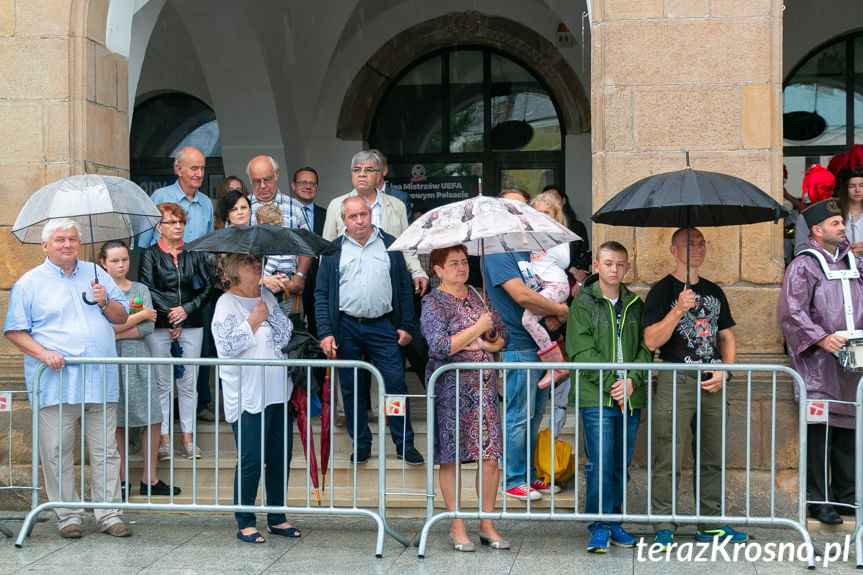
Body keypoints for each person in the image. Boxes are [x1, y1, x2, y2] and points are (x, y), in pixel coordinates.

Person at [4, 219, 132, 538]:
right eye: (60, 239)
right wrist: (43, 353)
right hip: (55, 382)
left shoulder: (97, 273)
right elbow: (15, 330)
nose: (67, 245)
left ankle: (109, 514)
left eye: (73, 239)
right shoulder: (29, 283)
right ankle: (68, 515)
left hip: (100, 379)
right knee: (57, 450)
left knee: (105, 451)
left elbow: (123, 316)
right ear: (45, 246)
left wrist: (106, 301)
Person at [642, 227, 748, 550]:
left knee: (712, 455)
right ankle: (664, 525)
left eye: (702, 243)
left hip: (712, 380)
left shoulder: (714, 291)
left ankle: (711, 524)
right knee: (668, 454)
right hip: (677, 379)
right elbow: (650, 341)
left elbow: (726, 337)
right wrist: (678, 309)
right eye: (691, 244)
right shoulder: (662, 292)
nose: (698, 249)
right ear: (674, 250)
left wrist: (725, 373)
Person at [322, 151, 429, 426]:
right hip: (348, 312)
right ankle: (357, 428)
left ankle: (398, 430)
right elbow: (326, 249)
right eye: (356, 168)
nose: (362, 173)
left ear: (380, 173)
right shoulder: (337, 205)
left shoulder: (394, 204)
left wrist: (417, 271)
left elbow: (406, 245)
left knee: (394, 379)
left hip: (385, 309)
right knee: (352, 380)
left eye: (368, 169)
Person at [315, 196, 424, 466]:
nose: (359, 220)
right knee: (352, 390)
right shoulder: (333, 250)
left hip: (383, 325)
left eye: (363, 214)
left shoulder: (390, 245)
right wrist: (326, 332)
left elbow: (404, 289)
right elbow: (321, 294)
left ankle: (404, 443)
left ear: (371, 214)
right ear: (343, 221)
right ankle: (361, 443)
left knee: (395, 385)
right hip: (347, 327)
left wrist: (405, 325)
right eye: (352, 217)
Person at [778, 198, 863, 525]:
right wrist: (821, 338)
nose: (842, 228)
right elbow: (791, 311)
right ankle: (819, 499)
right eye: (835, 224)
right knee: (820, 432)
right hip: (818, 363)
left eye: (842, 222)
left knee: (847, 430)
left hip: (850, 361)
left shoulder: (852, 263)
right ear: (816, 230)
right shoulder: (803, 265)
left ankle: (845, 497)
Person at [420, 244, 509, 552]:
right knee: (451, 457)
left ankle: (486, 523)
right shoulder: (434, 302)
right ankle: (456, 525)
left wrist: (489, 344)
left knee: (490, 457)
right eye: (453, 263)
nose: (461, 267)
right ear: (439, 270)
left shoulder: (478, 294)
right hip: (451, 391)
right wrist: (477, 330)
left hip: (484, 390)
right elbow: (440, 346)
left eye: (463, 262)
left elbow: (502, 334)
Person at [483, 188, 570, 501]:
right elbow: (522, 295)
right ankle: (512, 478)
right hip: (517, 345)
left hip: (538, 344)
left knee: (534, 416)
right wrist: (560, 310)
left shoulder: (529, 249)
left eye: (523, 208)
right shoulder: (497, 249)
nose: (518, 213)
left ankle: (530, 475)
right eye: (510, 207)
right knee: (518, 415)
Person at [566, 241, 652, 553]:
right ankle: (599, 525)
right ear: (597, 267)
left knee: (619, 463)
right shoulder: (583, 303)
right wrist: (611, 383)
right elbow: (580, 350)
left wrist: (631, 380)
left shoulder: (634, 304)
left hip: (629, 396)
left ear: (627, 267)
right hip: (596, 396)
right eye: (608, 263)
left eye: (619, 264)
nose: (614, 269)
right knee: (599, 462)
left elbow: (646, 348)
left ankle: (615, 521)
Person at [212, 252, 300, 544]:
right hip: (248, 392)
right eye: (248, 261)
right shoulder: (226, 303)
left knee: (279, 456)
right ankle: (245, 519)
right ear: (235, 269)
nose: (255, 264)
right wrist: (253, 320)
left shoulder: (267, 296)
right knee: (251, 458)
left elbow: (285, 332)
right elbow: (226, 346)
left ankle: (277, 516)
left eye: (257, 260)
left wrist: (269, 316)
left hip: (277, 388)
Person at [99, 240, 180, 498]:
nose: (121, 265)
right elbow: (103, 332)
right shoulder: (101, 295)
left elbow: (146, 328)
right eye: (114, 260)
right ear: (103, 263)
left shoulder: (139, 290)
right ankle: (122, 480)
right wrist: (140, 315)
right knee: (117, 422)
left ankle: (150, 478)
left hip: (138, 360)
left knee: (152, 417)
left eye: (124, 259)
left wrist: (120, 329)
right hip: (111, 362)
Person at [139, 203, 213, 461]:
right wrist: (172, 317)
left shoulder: (194, 253)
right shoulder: (150, 254)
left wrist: (186, 310)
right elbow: (148, 289)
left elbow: (207, 288)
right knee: (161, 384)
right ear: (159, 227)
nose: (178, 226)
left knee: (188, 384)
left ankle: (188, 438)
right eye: (171, 222)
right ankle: (165, 439)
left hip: (191, 325)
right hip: (159, 326)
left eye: (181, 221)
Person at [246, 155, 312, 305]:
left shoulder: (294, 206)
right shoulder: (243, 207)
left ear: (277, 174)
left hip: (287, 289)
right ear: (250, 179)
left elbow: (308, 244)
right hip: (251, 292)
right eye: (257, 181)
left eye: (267, 179)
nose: (262, 186)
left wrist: (300, 275)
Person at [524, 192, 571, 388]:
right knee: (543, 322)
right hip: (542, 286)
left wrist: (547, 243)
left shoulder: (559, 235)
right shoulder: (529, 237)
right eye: (538, 212)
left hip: (556, 286)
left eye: (547, 212)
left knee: (528, 319)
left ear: (555, 215)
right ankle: (557, 358)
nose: (543, 216)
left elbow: (565, 261)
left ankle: (556, 366)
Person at [138, 146, 213, 248]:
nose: (199, 174)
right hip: (163, 262)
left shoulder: (206, 203)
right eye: (194, 168)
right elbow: (144, 242)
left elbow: (209, 245)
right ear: (179, 169)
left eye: (202, 169)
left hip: (197, 263)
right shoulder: (160, 197)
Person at [291, 166, 326, 336]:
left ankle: (318, 361)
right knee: (292, 327)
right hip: (291, 278)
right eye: (303, 182)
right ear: (293, 185)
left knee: (319, 326)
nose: (308, 186)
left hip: (319, 278)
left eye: (312, 183)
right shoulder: (286, 212)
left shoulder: (325, 215)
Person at [543, 184, 591, 293]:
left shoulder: (577, 226)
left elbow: (584, 254)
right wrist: (572, 270)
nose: (551, 202)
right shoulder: (539, 229)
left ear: (563, 200)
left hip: (573, 281)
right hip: (546, 281)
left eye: (554, 198)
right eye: (546, 199)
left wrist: (579, 282)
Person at [793, 164, 835, 256]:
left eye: (829, 188)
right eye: (822, 188)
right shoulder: (805, 217)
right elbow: (800, 250)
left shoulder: (842, 210)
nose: (826, 192)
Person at [369, 149, 413, 223]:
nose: (367, 174)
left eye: (372, 170)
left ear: (384, 171)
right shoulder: (354, 198)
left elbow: (406, 231)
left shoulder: (401, 198)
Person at [838, 162, 863, 259]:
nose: (857, 190)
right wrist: (846, 252)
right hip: (845, 268)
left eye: (862, 185)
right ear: (845, 188)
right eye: (852, 186)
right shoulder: (836, 214)